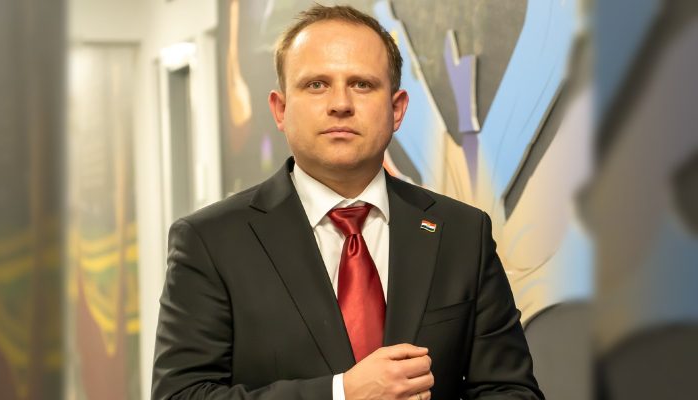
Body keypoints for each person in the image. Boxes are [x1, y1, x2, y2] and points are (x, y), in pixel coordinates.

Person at [152, 4, 543, 400]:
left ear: (396, 110)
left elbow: (510, 391)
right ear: (281, 110)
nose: (340, 103)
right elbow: (180, 395)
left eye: (362, 84)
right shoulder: (210, 242)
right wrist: (341, 393)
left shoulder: (462, 234)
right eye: (316, 84)